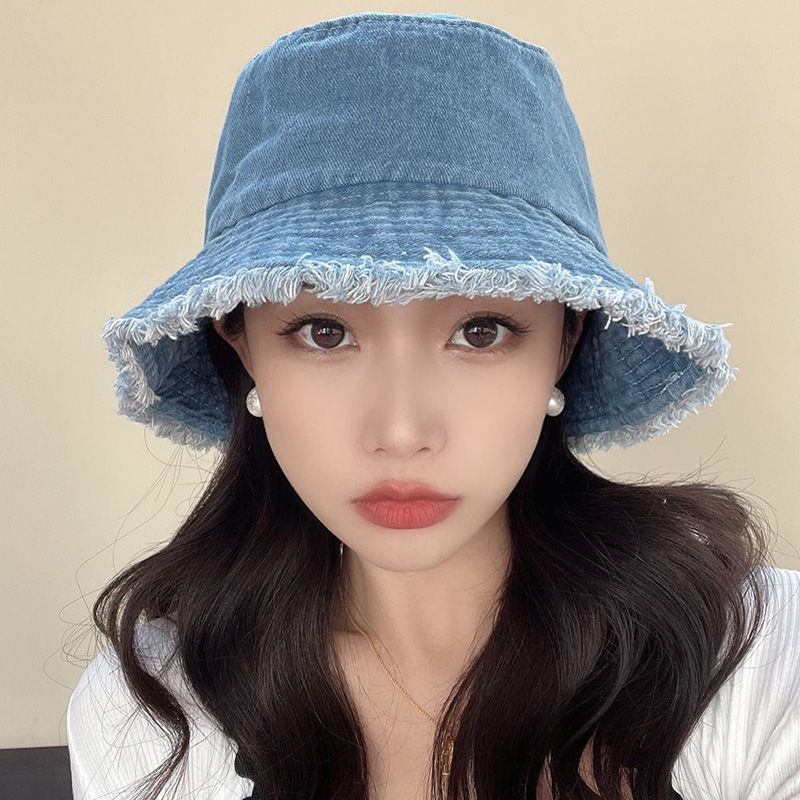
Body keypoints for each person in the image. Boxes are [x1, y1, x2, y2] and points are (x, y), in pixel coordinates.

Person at [67, 11, 800, 800]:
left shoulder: (758, 661)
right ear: (242, 345)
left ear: (565, 342)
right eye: (323, 331)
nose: (402, 431)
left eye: (481, 331)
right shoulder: (155, 713)